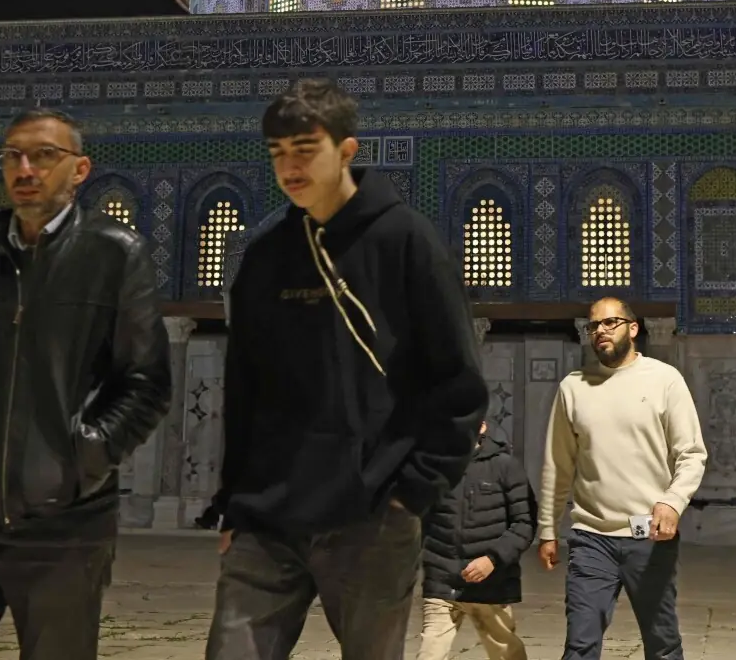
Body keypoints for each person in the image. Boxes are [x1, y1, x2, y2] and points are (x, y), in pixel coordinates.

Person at [203, 79, 487, 660]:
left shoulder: (404, 240)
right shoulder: (266, 255)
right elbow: (246, 391)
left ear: (347, 150)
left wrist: (412, 493)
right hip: (268, 518)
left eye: (305, 149)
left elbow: (458, 382)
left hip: (371, 518)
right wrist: (235, 500)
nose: (289, 166)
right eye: (278, 152)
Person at [0, 107, 172, 660]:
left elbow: (145, 382)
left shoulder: (115, 253)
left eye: (44, 155)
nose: (25, 169)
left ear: (80, 170)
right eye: (12, 156)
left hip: (66, 527)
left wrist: (82, 461)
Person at [538, 296, 708, 660]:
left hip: (649, 536)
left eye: (609, 323)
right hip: (591, 538)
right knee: (580, 644)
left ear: (633, 329)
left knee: (662, 642)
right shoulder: (574, 387)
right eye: (593, 325)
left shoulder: (665, 380)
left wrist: (672, 501)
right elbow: (558, 464)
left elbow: (691, 454)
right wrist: (548, 529)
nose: (600, 331)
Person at [417, 420, 536, 660]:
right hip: (442, 581)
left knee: (506, 652)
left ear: (482, 426)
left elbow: (524, 523)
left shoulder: (505, 466)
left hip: (490, 584)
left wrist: (493, 560)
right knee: (429, 653)